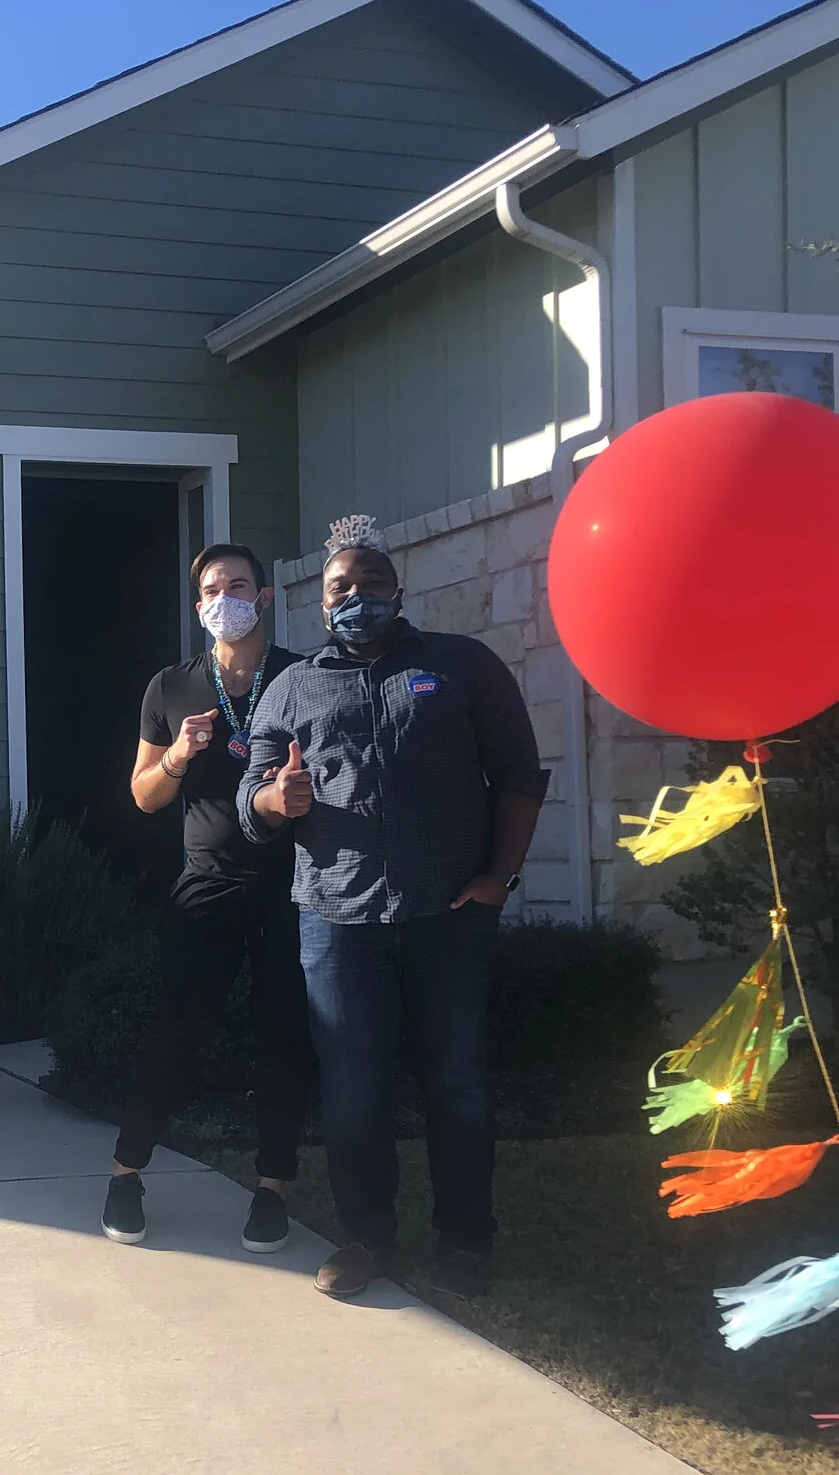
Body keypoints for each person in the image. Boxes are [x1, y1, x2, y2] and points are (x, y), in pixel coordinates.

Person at [241, 514, 547, 1299]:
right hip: (337, 923)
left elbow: (517, 772)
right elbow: (251, 798)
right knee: (353, 1089)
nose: (357, 596)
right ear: (321, 603)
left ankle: (466, 1240)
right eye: (341, 586)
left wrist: (499, 878)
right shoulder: (291, 685)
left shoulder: (461, 665)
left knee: (455, 1081)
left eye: (371, 582)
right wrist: (278, 797)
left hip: (448, 914)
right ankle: (367, 1238)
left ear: (398, 591)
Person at [101, 543, 312, 1255]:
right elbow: (141, 794)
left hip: (292, 885)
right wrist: (176, 759)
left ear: (266, 595)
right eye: (213, 589)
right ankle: (127, 1173)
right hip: (206, 881)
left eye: (240, 584)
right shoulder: (171, 686)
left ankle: (272, 1190)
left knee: (283, 1037)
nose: (227, 597)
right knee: (176, 1028)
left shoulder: (301, 677)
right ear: (199, 608)